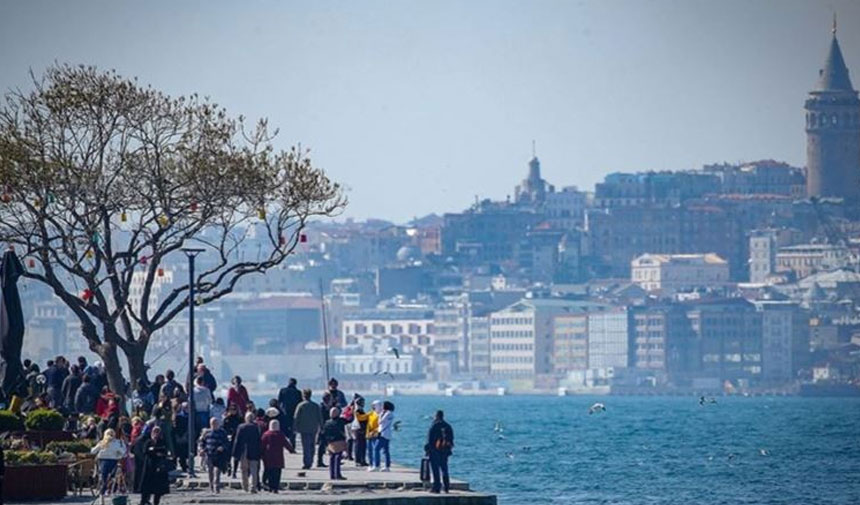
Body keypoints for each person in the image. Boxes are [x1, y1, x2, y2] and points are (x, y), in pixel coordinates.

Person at [90, 428, 127, 496]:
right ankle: (109, 489)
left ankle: (102, 491)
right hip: (114, 460)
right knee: (112, 477)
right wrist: (118, 454)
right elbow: (123, 453)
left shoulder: (102, 442)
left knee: (104, 477)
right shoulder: (117, 443)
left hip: (102, 461)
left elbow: (93, 451)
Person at [139, 425, 170, 505]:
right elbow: (145, 451)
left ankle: (156, 502)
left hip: (159, 467)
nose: (156, 434)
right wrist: (155, 451)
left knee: (158, 488)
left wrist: (154, 450)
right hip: (149, 466)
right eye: (154, 432)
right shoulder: (148, 441)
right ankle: (144, 501)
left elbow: (164, 451)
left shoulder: (162, 441)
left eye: (158, 432)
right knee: (146, 486)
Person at [292, 388, 322, 470]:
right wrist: (321, 427)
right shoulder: (316, 405)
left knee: (306, 446)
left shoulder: (301, 405)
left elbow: (296, 417)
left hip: (304, 429)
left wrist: (294, 428)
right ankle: (311, 461)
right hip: (313, 428)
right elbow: (320, 417)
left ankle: (307, 462)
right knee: (312, 445)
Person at [425, 410, 454, 494]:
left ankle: (436, 487)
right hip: (445, 451)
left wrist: (427, 450)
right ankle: (446, 487)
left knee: (435, 469)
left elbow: (429, 439)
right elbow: (451, 439)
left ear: (436, 416)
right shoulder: (448, 426)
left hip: (434, 450)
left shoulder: (434, 425)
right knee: (444, 469)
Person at [260, 419, 293, 493]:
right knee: (277, 473)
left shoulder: (266, 434)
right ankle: (275, 487)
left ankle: (271, 487)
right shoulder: (280, 434)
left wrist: (260, 453)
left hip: (268, 457)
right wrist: (291, 450)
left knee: (270, 472)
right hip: (278, 456)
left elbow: (262, 445)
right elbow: (286, 443)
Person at [233, 412, 262, 493]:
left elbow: (237, 441)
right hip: (254, 450)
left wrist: (235, 453)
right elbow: (259, 440)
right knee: (254, 470)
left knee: (244, 470)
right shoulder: (256, 427)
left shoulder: (241, 427)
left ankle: (245, 487)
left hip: (244, 451)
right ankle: (253, 487)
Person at [202, 417, 229, 493]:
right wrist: (202, 450)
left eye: (216, 423)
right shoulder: (207, 433)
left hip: (219, 455)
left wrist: (222, 447)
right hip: (209, 454)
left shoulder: (222, 432)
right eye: (213, 423)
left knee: (217, 472)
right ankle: (211, 486)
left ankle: (217, 486)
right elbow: (202, 442)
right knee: (210, 471)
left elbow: (226, 442)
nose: (214, 425)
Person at [322, 407, 347, 480]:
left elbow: (324, 433)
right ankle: (337, 474)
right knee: (338, 457)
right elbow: (349, 420)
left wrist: (325, 443)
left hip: (330, 442)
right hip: (339, 441)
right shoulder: (340, 421)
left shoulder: (327, 422)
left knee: (332, 457)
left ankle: (332, 475)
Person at [277, 378, 302, 447]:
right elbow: (300, 404)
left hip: (284, 413)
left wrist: (280, 410)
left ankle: (286, 442)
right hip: (294, 413)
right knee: (293, 429)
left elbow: (279, 402)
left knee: (284, 428)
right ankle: (292, 443)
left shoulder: (283, 390)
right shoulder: (298, 392)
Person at [374, 401, 394, 472]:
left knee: (376, 449)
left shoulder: (389, 413)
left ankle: (377, 465)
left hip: (384, 433)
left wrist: (380, 415)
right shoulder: (384, 413)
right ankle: (387, 466)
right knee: (385, 450)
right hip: (383, 433)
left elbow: (380, 421)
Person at [362, 400, 381, 471]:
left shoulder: (380, 415)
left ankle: (377, 465)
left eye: (374, 406)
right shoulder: (371, 413)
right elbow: (362, 417)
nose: (372, 407)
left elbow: (381, 425)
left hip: (376, 435)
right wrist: (356, 411)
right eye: (372, 406)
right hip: (369, 435)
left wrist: (375, 431)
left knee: (375, 450)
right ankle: (371, 464)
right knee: (369, 451)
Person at [351, 396, 368, 466]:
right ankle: (359, 460)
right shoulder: (358, 410)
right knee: (359, 445)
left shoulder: (358, 409)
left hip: (358, 429)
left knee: (360, 445)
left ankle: (361, 460)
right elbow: (361, 420)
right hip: (359, 429)